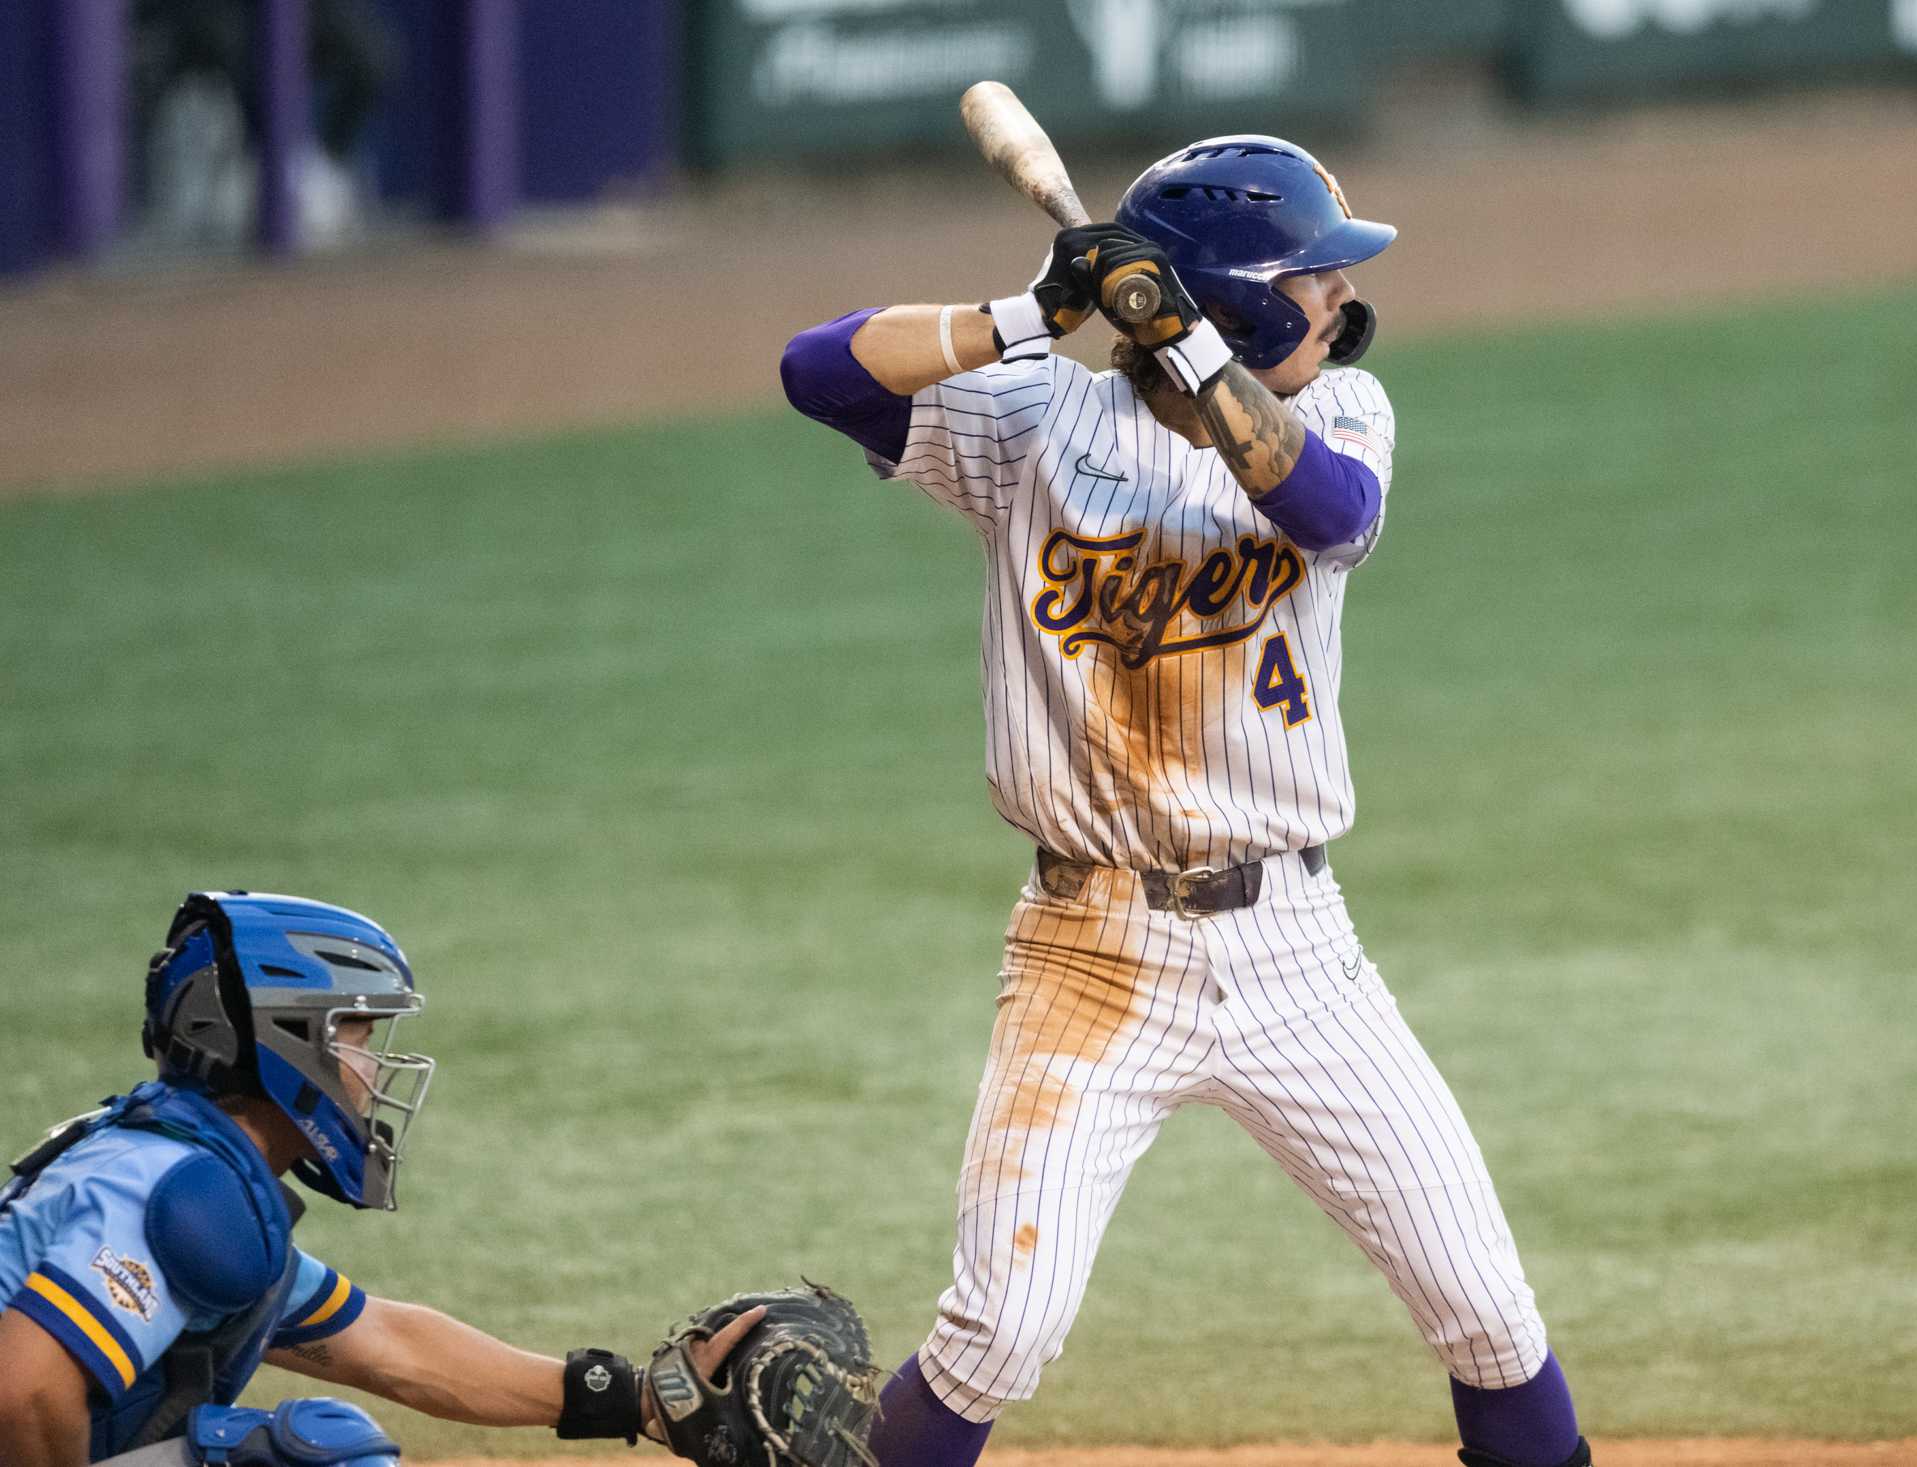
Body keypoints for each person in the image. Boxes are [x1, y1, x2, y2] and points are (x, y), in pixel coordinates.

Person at [779, 136, 1595, 1467]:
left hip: (1300, 957)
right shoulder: (1029, 415)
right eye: (1315, 278)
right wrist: (1023, 315)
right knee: (1001, 1329)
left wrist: (1196, 350)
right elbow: (812, 371)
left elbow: (1323, 513)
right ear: (1250, 300)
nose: (1341, 299)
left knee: (1487, 1308)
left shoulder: (1345, 409)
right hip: (1090, 958)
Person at [0, 890, 760, 1467]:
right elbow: (22, 1388)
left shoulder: (193, 1173)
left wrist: (634, 1395)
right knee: (324, 1455)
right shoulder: (186, 1192)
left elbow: (386, 1342)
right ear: (286, 1041)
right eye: (359, 1035)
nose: (373, 1070)